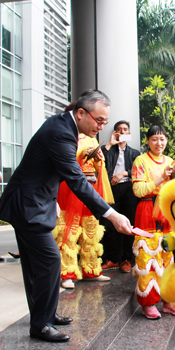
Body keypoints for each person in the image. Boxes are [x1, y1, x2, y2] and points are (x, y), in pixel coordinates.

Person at [0, 90, 132, 343]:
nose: (101, 127)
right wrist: (112, 215)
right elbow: (76, 180)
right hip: (27, 206)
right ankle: (41, 325)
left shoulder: (64, 127)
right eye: (99, 120)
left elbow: (50, 171)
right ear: (81, 113)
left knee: (34, 265)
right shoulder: (61, 132)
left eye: (105, 121)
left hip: (34, 202)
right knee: (50, 261)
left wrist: (53, 201)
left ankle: (44, 314)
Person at [54, 101, 113, 289]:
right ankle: (67, 273)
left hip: (90, 186)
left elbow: (100, 166)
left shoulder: (92, 138)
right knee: (68, 230)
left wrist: (97, 159)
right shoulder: (66, 135)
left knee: (90, 229)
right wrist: (82, 154)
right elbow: (65, 162)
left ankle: (91, 270)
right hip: (69, 188)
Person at [132, 125, 175, 320]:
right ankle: (149, 303)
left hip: (167, 211)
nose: (158, 143)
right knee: (148, 257)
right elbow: (138, 190)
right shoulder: (141, 161)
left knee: (168, 256)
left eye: (162, 139)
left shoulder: (171, 161)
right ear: (147, 141)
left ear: (166, 140)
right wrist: (162, 177)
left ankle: (168, 301)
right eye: (154, 139)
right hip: (147, 210)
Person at [100, 120, 141, 273]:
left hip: (129, 189)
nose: (122, 132)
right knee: (108, 223)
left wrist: (123, 173)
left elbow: (138, 172)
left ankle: (127, 259)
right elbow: (99, 161)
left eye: (125, 129)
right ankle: (112, 258)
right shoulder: (109, 150)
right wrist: (110, 143)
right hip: (111, 189)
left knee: (129, 224)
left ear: (129, 133)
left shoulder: (135, 153)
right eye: (119, 129)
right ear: (115, 133)